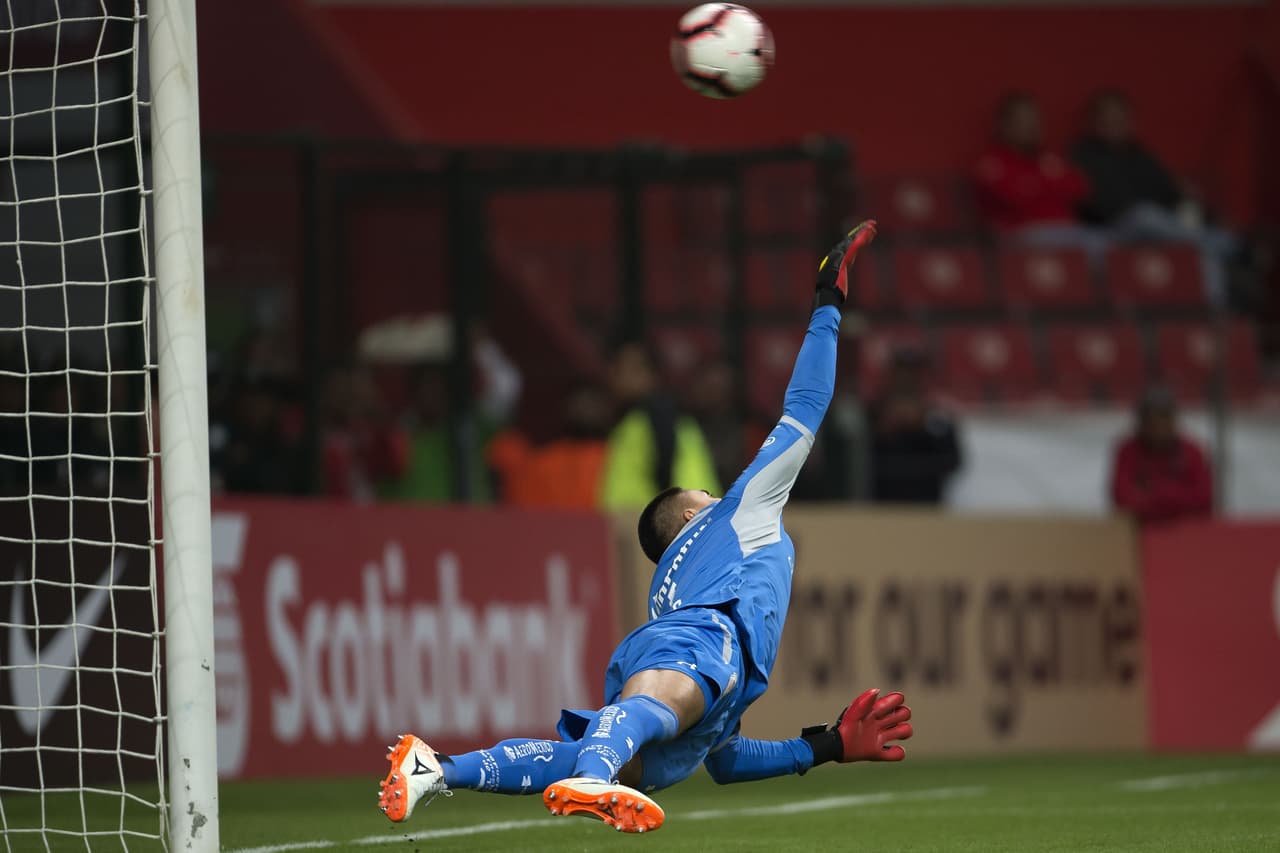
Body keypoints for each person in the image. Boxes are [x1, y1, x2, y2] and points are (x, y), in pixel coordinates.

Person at [376, 222, 914, 834]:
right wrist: (828, 306)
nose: (716, 491)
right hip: (701, 640)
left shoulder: (677, 585)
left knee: (604, 748)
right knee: (630, 731)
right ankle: (594, 779)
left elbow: (728, 760)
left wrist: (828, 747)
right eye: (703, 492)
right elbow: (805, 405)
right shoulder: (738, 513)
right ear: (690, 514)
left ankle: (437, 767)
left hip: (689, 651)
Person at [1072, 90, 1239, 305]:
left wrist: (1208, 215)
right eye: (1107, 117)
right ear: (1095, 121)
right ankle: (1225, 243)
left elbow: (1171, 193)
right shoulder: (1082, 155)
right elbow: (1090, 203)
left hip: (1153, 230)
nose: (1114, 123)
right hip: (1110, 229)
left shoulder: (1140, 154)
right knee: (1144, 214)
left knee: (1200, 251)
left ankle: (1214, 311)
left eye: (1119, 117)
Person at [974, 93, 1105, 258]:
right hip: (1019, 233)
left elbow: (1080, 188)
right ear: (1005, 125)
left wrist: (1036, 185)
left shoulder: (1048, 158)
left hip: (1065, 230)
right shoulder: (992, 162)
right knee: (1091, 243)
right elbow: (1014, 198)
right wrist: (1051, 184)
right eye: (1024, 121)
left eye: (1034, 120)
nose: (1032, 127)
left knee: (1105, 242)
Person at [599, 340, 721, 510]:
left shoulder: (658, 415)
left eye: (632, 370)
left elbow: (666, 468)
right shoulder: (635, 419)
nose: (621, 377)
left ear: (652, 374)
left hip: (670, 523)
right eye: (618, 369)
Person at [867, 346, 962, 504]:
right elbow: (855, 462)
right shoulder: (871, 412)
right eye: (901, 371)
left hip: (927, 504)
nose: (906, 378)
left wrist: (924, 429)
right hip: (882, 505)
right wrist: (883, 430)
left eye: (912, 372)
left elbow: (953, 461)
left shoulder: (938, 415)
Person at [1109, 387, 1213, 525]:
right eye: (1152, 420)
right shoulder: (1128, 451)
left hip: (1187, 532)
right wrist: (1177, 499)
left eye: (1164, 418)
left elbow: (1204, 500)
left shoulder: (1192, 452)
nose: (1159, 427)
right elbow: (1122, 499)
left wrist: (1158, 495)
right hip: (1141, 532)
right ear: (1142, 422)